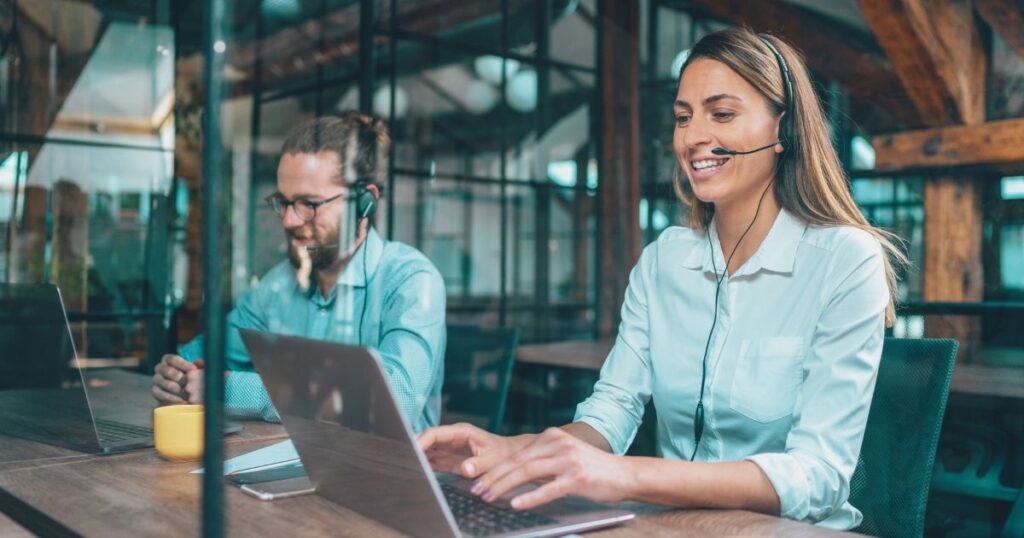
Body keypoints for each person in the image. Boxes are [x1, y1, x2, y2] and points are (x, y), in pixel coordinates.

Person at [418, 28, 905, 530]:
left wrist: (624, 477)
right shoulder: (663, 260)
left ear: (784, 130)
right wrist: (518, 453)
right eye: (683, 117)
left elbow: (817, 474)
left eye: (722, 114)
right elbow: (613, 409)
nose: (693, 136)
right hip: (673, 525)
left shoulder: (845, 259)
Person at [152, 113, 447, 433]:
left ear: (365, 202)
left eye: (309, 204)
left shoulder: (410, 281)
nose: (289, 220)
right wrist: (177, 374)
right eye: (284, 202)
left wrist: (232, 390)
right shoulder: (278, 284)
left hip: (387, 475)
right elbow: (206, 355)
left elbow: (394, 402)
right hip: (291, 465)